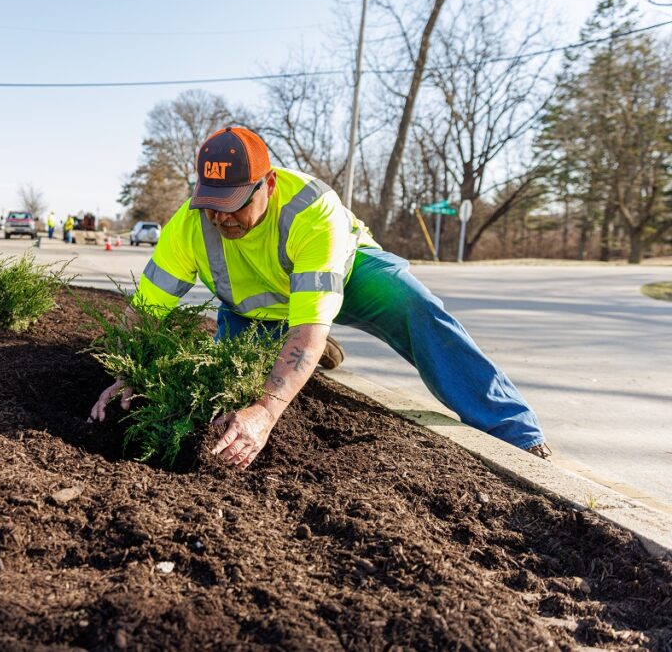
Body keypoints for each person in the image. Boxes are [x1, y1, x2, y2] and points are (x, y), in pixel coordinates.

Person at [89, 126, 549, 470]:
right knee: (226, 390)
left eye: (233, 205)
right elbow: (143, 315)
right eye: (210, 204)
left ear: (267, 185)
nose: (219, 219)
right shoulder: (188, 226)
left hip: (344, 282)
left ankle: (514, 428)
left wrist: (266, 414)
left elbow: (307, 329)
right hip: (254, 316)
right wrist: (130, 372)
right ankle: (302, 352)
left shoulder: (311, 211)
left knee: (417, 309)